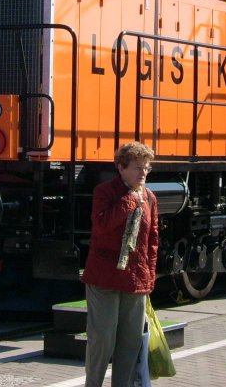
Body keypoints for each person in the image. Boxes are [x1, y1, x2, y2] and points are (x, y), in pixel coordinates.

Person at [83, 141, 159, 387]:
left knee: (130, 341)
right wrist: (129, 201)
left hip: (135, 278)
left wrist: (150, 275)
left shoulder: (150, 198)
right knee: (102, 338)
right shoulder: (105, 192)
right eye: (137, 167)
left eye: (146, 168)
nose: (143, 173)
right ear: (121, 168)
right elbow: (102, 225)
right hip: (104, 276)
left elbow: (152, 239)